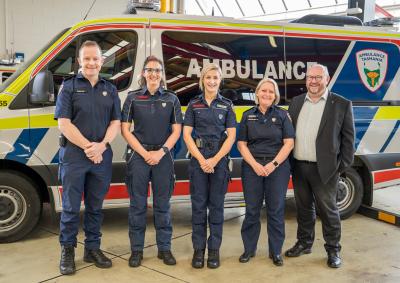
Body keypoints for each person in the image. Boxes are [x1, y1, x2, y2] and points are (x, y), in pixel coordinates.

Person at [55, 40, 121, 275]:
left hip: (101, 156)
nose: (92, 62)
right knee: (71, 207)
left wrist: (101, 146)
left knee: (95, 207)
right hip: (74, 156)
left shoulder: (110, 88)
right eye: (87, 58)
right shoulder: (69, 87)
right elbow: (64, 123)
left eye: (96, 58)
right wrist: (88, 147)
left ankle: (92, 248)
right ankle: (68, 250)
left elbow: (116, 122)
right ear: (80, 62)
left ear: (102, 61)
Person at [285, 64, 355, 268]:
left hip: (326, 170)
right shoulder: (297, 102)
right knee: (304, 209)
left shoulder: (341, 104)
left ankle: (333, 250)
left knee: (329, 211)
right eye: (310, 77)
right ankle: (304, 243)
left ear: (327, 78)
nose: (313, 81)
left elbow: (348, 140)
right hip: (299, 166)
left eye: (318, 77)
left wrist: (339, 167)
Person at [121, 56, 182, 267]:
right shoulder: (133, 98)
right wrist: (144, 153)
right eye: (150, 70)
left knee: (162, 206)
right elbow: (125, 130)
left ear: (162, 74)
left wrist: (161, 152)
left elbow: (177, 131)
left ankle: (164, 249)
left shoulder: (172, 99)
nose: (154, 74)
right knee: (137, 205)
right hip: (139, 157)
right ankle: (136, 250)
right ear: (143, 73)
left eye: (157, 70)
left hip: (163, 158)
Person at [183, 63, 236, 269]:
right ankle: (199, 250)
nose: (212, 81)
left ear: (220, 80)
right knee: (198, 208)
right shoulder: (193, 104)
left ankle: (214, 250)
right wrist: (201, 159)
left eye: (216, 77)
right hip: (198, 159)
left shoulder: (227, 105)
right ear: (202, 80)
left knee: (216, 207)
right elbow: (187, 134)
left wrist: (214, 160)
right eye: (208, 77)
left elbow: (231, 136)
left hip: (219, 160)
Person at [237, 78, 295, 266]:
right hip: (252, 167)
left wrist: (274, 164)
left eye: (271, 91)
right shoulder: (247, 115)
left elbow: (289, 143)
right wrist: (254, 164)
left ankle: (275, 251)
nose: (267, 94)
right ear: (257, 93)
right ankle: (249, 249)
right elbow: (241, 144)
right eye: (264, 91)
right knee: (252, 210)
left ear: (275, 95)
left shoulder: (283, 116)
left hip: (277, 168)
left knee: (275, 210)